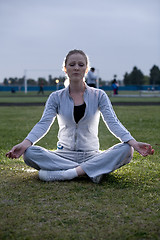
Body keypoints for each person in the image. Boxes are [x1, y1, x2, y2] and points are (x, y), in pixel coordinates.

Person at [6, 49, 154, 183]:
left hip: (92, 155)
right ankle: (90, 171)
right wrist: (25, 144)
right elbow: (43, 123)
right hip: (63, 155)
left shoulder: (99, 95)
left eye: (81, 64)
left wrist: (134, 143)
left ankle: (68, 174)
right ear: (65, 69)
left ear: (86, 69)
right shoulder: (55, 97)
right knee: (30, 153)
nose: (76, 67)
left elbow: (113, 123)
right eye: (72, 64)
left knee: (127, 150)